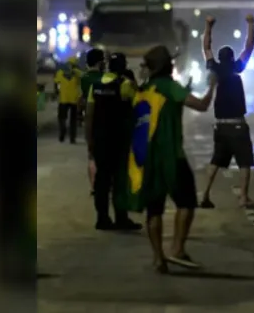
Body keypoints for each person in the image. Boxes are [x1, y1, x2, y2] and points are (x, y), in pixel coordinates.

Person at [131, 45, 216, 273]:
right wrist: (212, 86)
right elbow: (201, 105)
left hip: (148, 157)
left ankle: (159, 258)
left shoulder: (144, 89)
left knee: (154, 210)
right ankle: (177, 248)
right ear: (168, 66)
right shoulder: (170, 86)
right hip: (173, 156)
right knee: (187, 203)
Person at [199, 14, 254, 209]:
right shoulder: (236, 68)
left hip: (221, 126)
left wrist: (208, 26)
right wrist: (250, 24)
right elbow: (249, 46)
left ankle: (205, 194)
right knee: (244, 162)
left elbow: (206, 47)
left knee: (216, 161)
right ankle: (243, 197)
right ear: (232, 58)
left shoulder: (214, 70)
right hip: (238, 125)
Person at [85, 53, 143, 231]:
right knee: (119, 181)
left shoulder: (96, 85)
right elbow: (140, 106)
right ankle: (121, 218)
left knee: (102, 180)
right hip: (119, 139)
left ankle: (102, 219)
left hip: (100, 140)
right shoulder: (125, 85)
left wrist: (90, 141)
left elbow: (89, 115)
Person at [81, 49, 107, 194]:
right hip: (105, 118)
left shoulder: (84, 78)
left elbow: (83, 99)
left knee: (91, 154)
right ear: (100, 62)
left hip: (89, 117)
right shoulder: (104, 78)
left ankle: (94, 186)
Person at [54, 57, 83, 143]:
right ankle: (72, 138)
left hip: (63, 98)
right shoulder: (77, 74)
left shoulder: (60, 73)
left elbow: (56, 83)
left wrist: (56, 92)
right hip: (74, 99)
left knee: (62, 118)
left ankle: (62, 133)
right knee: (73, 120)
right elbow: (81, 82)